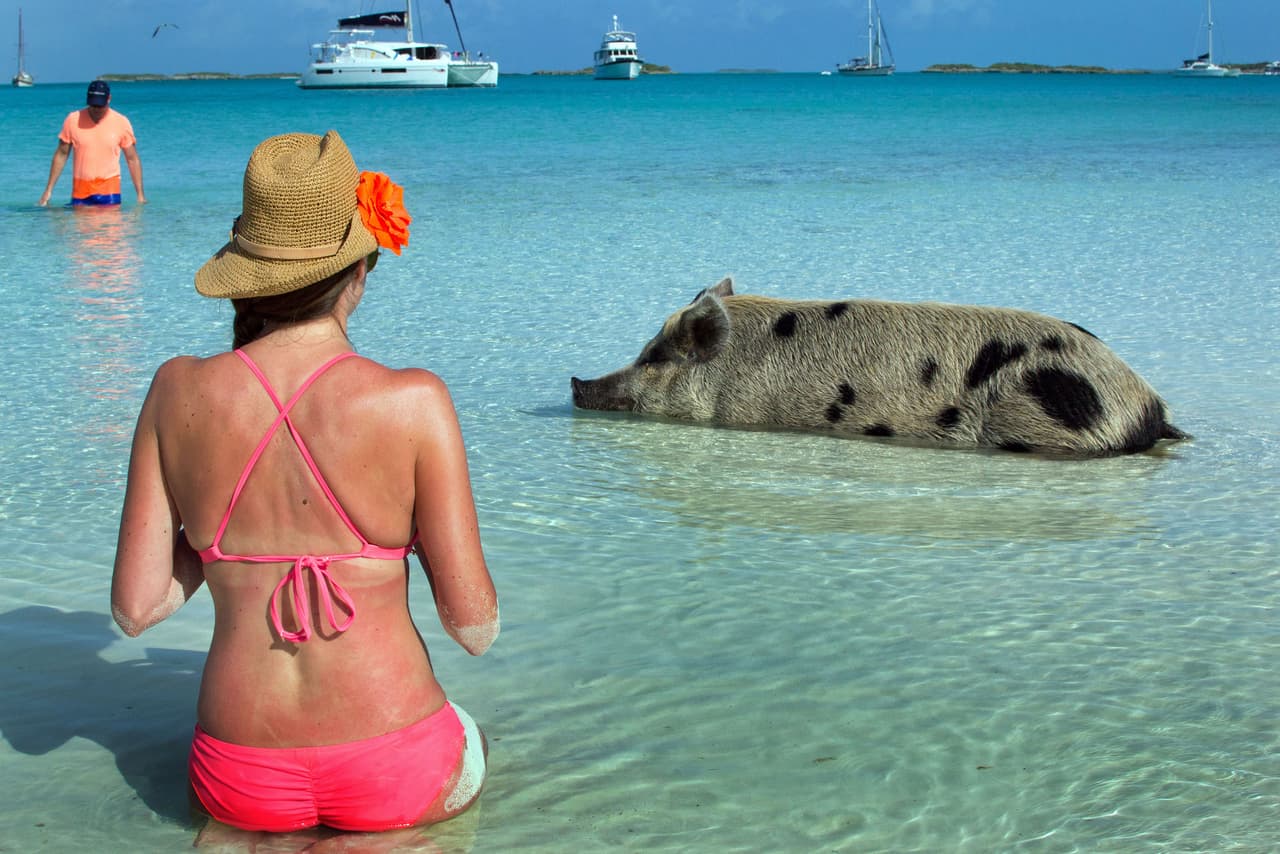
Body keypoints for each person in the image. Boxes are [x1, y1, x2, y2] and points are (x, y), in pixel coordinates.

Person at [110, 130, 498, 835]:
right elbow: (473, 626)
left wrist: (230, 538)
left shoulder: (175, 390)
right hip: (395, 764)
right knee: (459, 747)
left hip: (237, 773)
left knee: (243, 822)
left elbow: (137, 609)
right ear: (360, 269)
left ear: (244, 271)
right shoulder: (414, 402)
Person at [38, 80, 146, 207]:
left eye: (100, 105)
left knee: (110, 226)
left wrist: (140, 195)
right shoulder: (73, 120)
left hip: (109, 191)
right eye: (93, 105)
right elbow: (61, 155)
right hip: (81, 191)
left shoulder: (121, 122)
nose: (96, 109)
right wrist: (48, 190)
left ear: (109, 99)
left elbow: (132, 159)